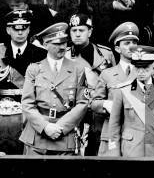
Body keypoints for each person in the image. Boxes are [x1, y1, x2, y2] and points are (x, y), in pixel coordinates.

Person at [19, 23, 89, 155]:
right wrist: (45, 127)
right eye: (57, 43)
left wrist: (60, 128)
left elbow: (82, 103)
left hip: (64, 136)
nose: (62, 47)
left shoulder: (78, 69)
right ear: (45, 45)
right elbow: (27, 104)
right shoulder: (34, 69)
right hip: (37, 136)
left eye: (64, 42)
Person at [0, 10, 46, 154]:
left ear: (29, 29)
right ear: (8, 30)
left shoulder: (41, 54)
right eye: (15, 29)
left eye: (24, 28)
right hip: (0, 113)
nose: (20, 32)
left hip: (31, 109)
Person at [105, 45, 154, 157]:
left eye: (145, 67)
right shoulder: (122, 90)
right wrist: (114, 153)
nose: (141, 72)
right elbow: (114, 126)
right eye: (137, 68)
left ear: (153, 67)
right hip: (131, 151)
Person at [65, 13, 116, 155]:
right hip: (76, 112)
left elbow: (113, 83)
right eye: (73, 31)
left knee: (99, 149)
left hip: (99, 112)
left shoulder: (106, 54)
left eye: (81, 30)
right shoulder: (65, 56)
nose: (77, 34)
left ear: (90, 31)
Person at [91, 22, 139, 156]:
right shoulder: (107, 74)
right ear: (117, 49)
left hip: (136, 134)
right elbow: (94, 103)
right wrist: (107, 104)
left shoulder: (144, 73)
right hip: (111, 134)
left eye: (134, 43)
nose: (132, 47)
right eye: (127, 43)